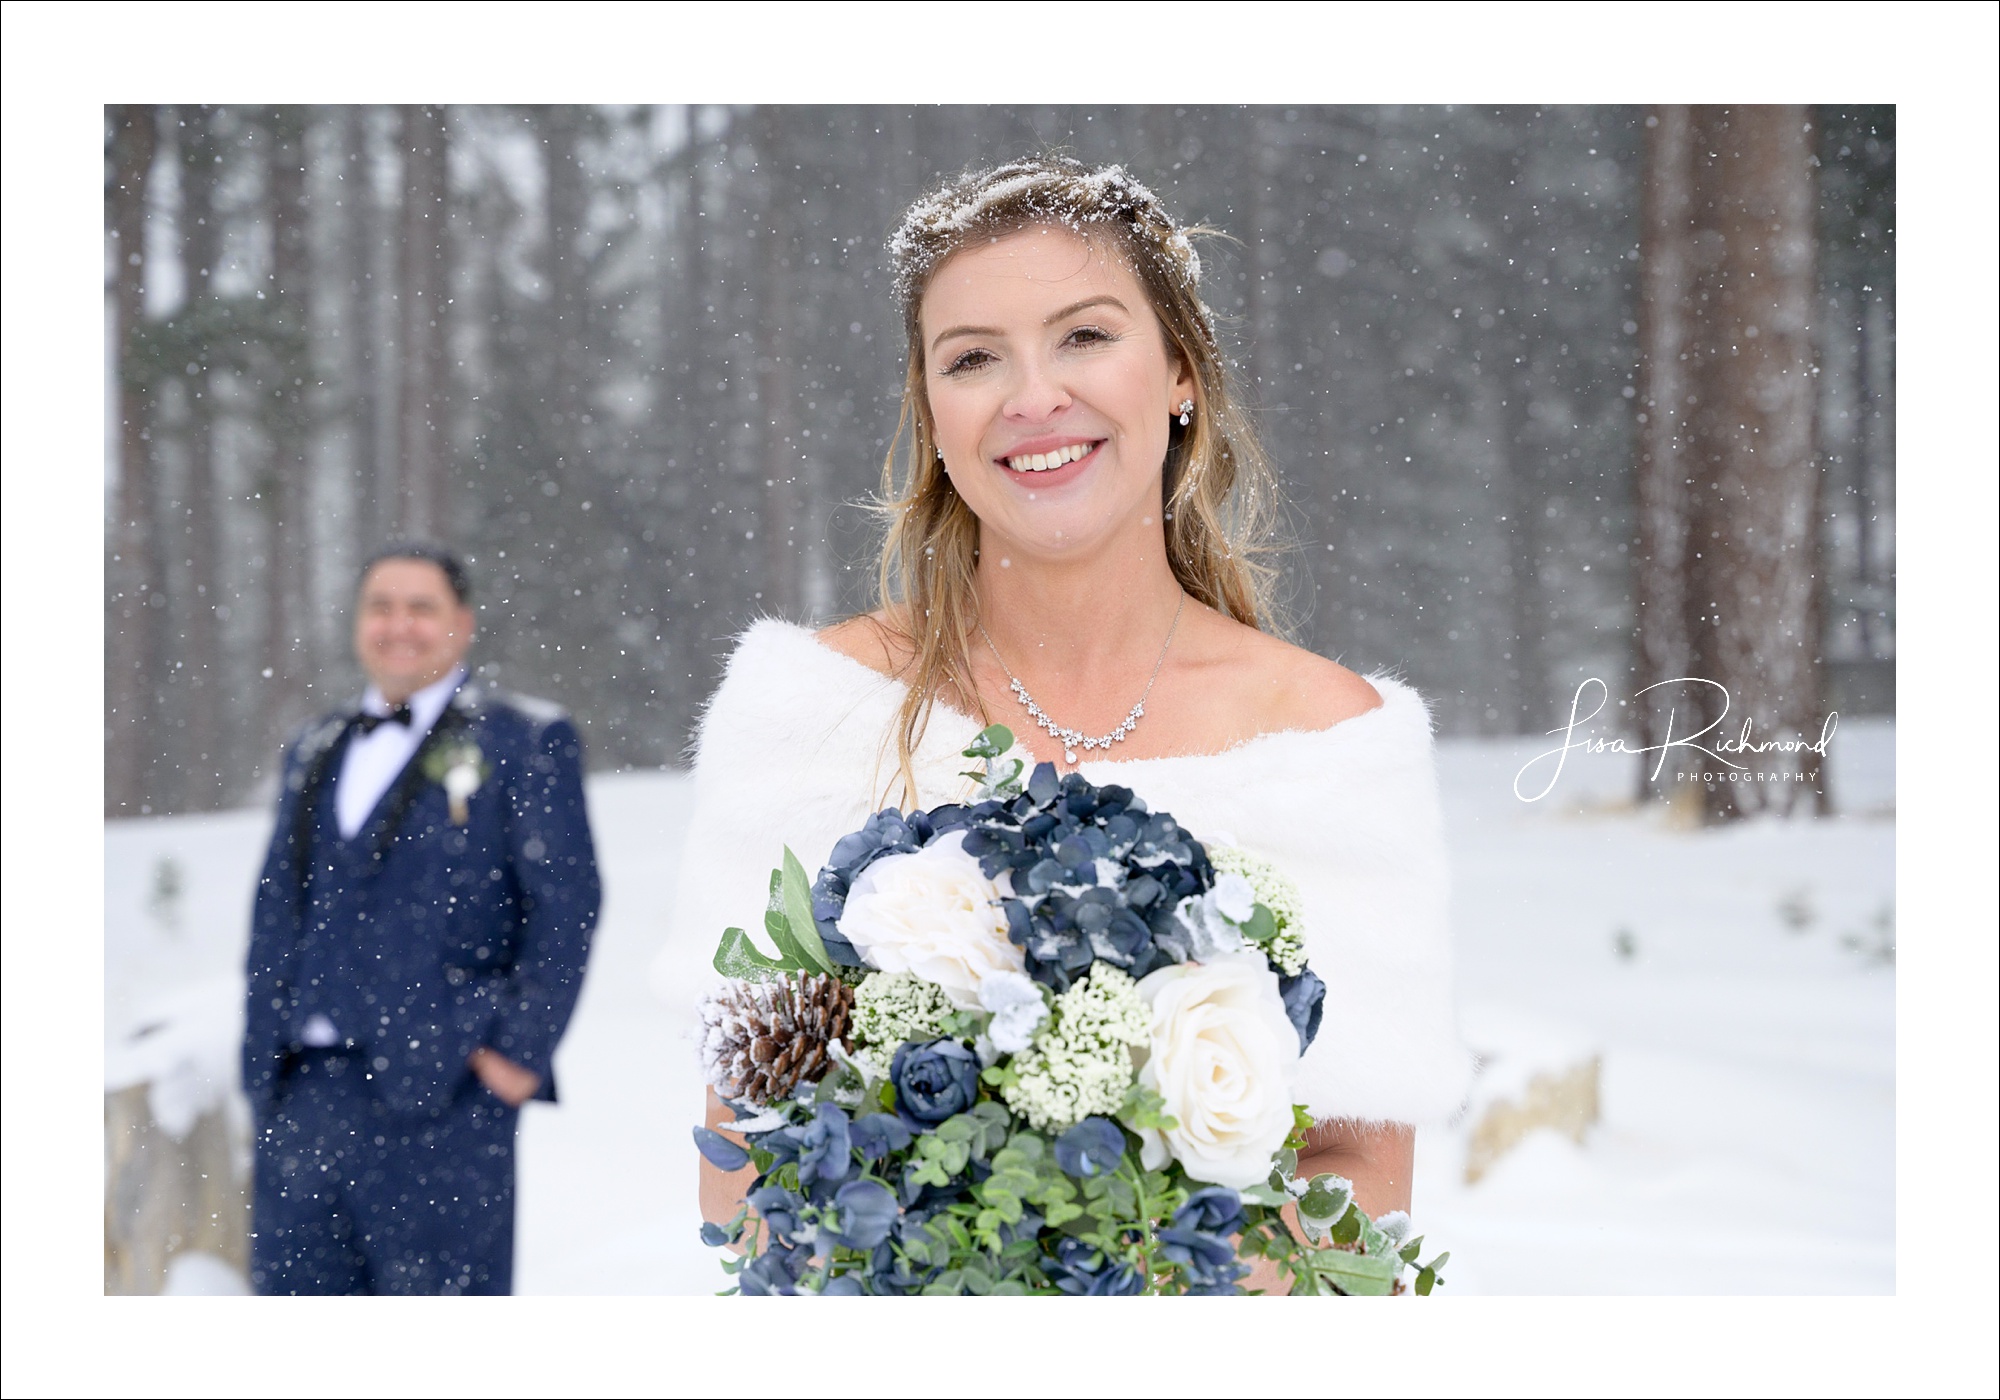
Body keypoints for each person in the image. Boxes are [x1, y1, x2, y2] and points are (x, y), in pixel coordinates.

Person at [675, 157, 1467, 1291]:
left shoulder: (1324, 743)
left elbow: (1357, 1183)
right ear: (931, 412)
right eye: (972, 357)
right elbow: (739, 1165)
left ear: (1180, 372)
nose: (1032, 395)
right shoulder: (811, 711)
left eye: (1084, 336)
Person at [242, 542, 600, 1294]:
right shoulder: (314, 746)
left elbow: (565, 906)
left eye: (421, 607)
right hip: (302, 1100)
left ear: (462, 623)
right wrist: (261, 1060)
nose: (398, 625)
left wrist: (513, 1055)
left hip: (445, 1099)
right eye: (381, 606)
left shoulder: (521, 742)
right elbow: (277, 907)